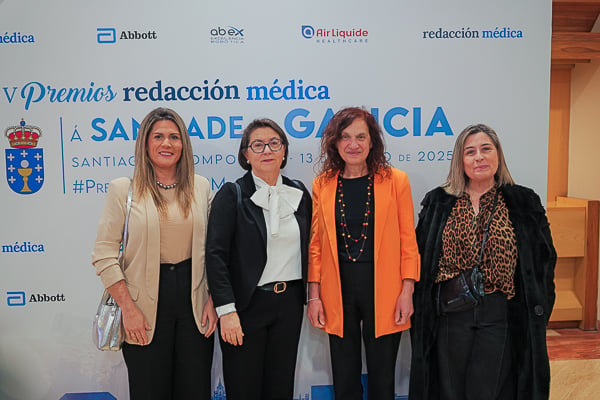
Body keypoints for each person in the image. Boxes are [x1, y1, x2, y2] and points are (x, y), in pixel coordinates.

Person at [409, 123, 557, 400]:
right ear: (460, 160)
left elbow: (544, 258)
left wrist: (541, 306)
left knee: (487, 390)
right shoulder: (439, 201)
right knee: (449, 390)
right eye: (470, 151)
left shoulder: (523, 201)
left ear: (498, 155)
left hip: (498, 312)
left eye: (486, 149)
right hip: (449, 312)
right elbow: (421, 258)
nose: (479, 157)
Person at [92, 107, 217, 400]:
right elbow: (104, 254)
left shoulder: (201, 187)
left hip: (194, 304)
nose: (167, 143)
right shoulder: (124, 189)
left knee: (195, 390)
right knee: (150, 390)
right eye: (158, 136)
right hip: (142, 307)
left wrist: (213, 299)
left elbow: (215, 250)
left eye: (174, 137)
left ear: (184, 144)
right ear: (145, 144)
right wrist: (128, 308)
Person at [307, 107, 420, 400]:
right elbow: (316, 245)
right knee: (344, 379)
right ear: (334, 142)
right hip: (337, 291)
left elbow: (409, 239)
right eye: (345, 137)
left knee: (383, 380)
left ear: (372, 142)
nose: (352, 144)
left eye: (360, 136)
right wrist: (314, 295)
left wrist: (407, 290)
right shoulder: (323, 184)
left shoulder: (396, 181)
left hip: (385, 290)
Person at [205, 118, 312, 400]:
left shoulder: (299, 193)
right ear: (246, 154)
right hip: (246, 307)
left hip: (289, 305)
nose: (267, 150)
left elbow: (312, 250)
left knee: (280, 388)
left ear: (285, 151)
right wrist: (226, 311)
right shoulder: (232, 194)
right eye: (258, 145)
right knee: (244, 388)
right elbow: (216, 256)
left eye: (274, 143)